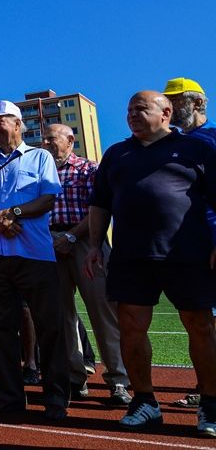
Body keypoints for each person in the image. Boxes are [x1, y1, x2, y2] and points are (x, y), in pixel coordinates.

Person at [86, 91, 216, 436]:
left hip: (187, 253)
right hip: (131, 257)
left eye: (141, 108)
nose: (132, 114)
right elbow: (100, 204)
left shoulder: (197, 149)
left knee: (200, 326)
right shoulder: (116, 154)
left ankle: (211, 405)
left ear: (166, 112)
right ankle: (144, 402)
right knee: (131, 327)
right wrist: (95, 245)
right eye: (129, 109)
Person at [0, 100, 68, 421]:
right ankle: (10, 395)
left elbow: (47, 198)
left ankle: (55, 397)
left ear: (17, 123)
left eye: (0, 121)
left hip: (35, 254)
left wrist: (12, 213)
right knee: (0, 328)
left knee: (49, 327)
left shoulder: (40, 157)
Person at [40, 123, 131, 405]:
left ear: (70, 141)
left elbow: (100, 209)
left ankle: (118, 379)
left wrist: (71, 236)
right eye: (44, 138)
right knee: (62, 314)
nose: (45, 142)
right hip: (50, 243)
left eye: (51, 138)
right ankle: (75, 375)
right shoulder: (40, 172)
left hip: (85, 241)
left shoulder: (88, 169)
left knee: (102, 312)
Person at [164, 77, 216, 411]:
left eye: (176, 100)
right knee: (197, 323)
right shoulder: (173, 143)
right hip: (187, 248)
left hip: (212, 240)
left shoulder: (211, 139)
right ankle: (206, 388)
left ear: (196, 103)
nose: (170, 108)